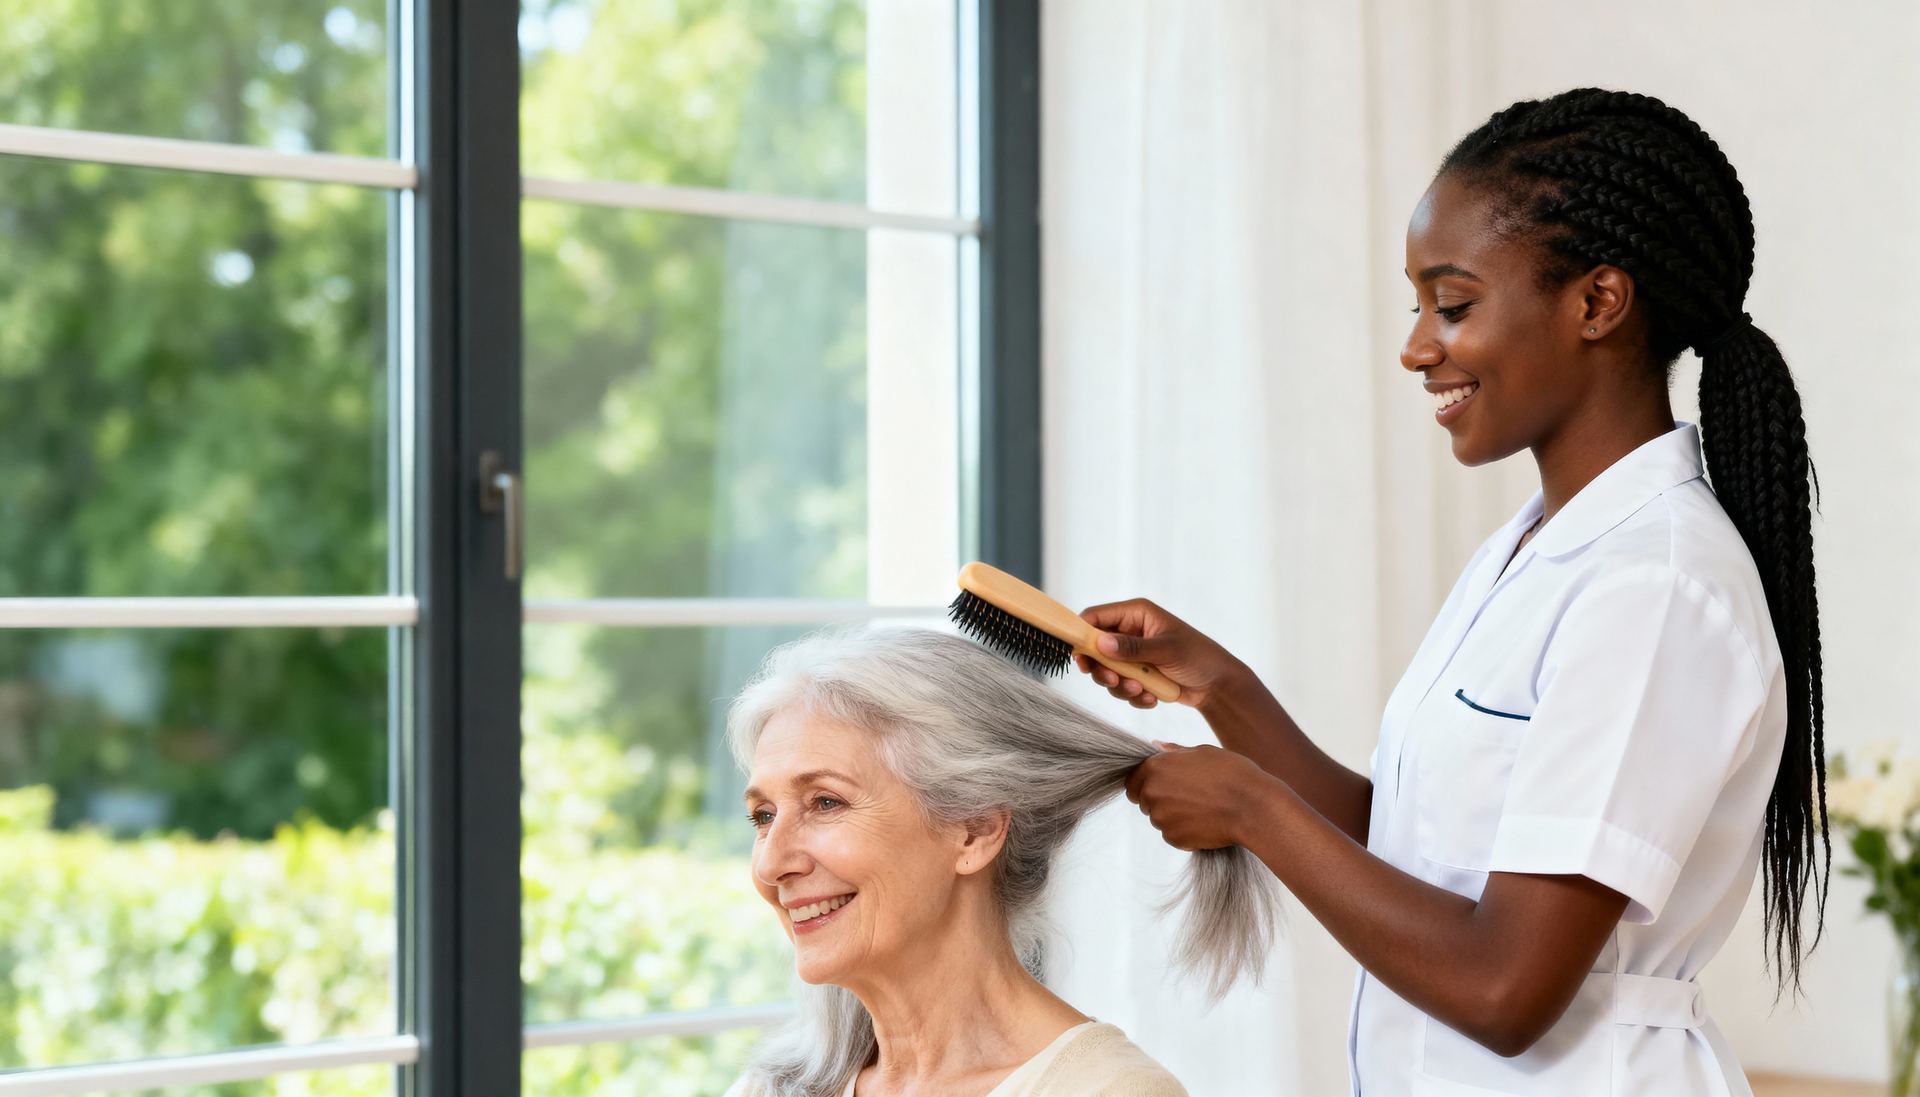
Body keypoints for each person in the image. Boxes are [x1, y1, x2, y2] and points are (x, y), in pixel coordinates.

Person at [1077, 88, 1824, 1096]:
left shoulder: (1656, 588)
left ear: (1598, 303)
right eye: (1416, 303)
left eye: (1454, 303)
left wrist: (1253, 809)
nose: (1417, 346)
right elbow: (1421, 855)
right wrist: (1224, 690)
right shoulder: (1533, 549)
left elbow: (1507, 984)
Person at [721, 627, 1282, 1097]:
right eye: (763, 815)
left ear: (976, 830)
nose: (771, 864)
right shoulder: (772, 1086)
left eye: (826, 803)